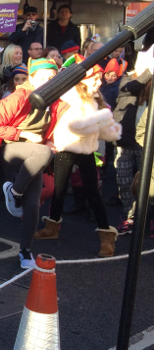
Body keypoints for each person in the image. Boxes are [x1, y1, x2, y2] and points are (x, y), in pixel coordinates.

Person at [39, 55, 122, 256]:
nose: (99, 82)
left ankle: (106, 236)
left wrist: (107, 125)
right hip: (65, 148)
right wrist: (102, 119)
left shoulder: (97, 101)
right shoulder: (69, 97)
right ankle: (52, 228)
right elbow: (74, 126)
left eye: (100, 78)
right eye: (95, 78)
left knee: (92, 192)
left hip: (86, 150)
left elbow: (103, 131)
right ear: (82, 80)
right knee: (59, 190)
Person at [0, 58, 60, 268]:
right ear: (32, 78)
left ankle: (25, 252)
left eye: (52, 78)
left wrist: (52, 140)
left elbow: (52, 129)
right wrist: (22, 133)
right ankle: (15, 192)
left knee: (33, 206)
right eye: (43, 77)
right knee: (43, 152)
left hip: (35, 155)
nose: (48, 81)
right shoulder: (18, 97)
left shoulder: (54, 99)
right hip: (8, 149)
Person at [113, 47, 153, 234]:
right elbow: (130, 89)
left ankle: (143, 218)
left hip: (145, 140)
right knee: (125, 181)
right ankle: (130, 217)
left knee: (145, 182)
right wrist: (149, 72)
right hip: (125, 139)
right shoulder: (129, 78)